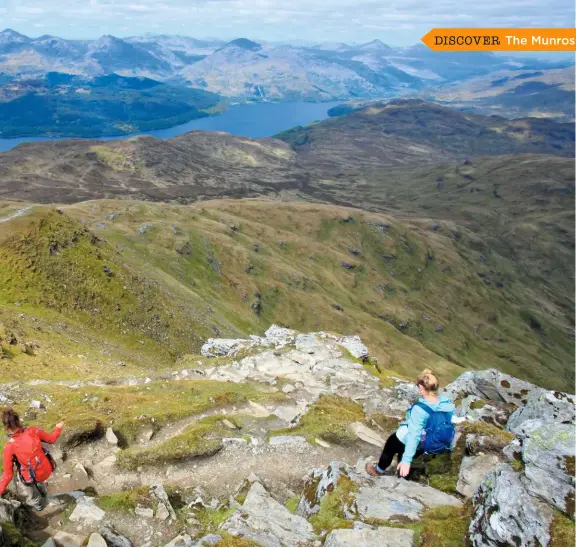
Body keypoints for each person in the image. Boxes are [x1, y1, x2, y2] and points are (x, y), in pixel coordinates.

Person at [366, 369, 454, 478]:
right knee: (405, 453)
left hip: (413, 440)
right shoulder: (446, 403)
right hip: (429, 441)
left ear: (421, 388)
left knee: (390, 445)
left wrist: (407, 461)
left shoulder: (420, 409)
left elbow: (414, 435)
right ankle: (402, 472)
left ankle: (378, 471)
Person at [0, 408, 64, 511]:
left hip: (30, 476)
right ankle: (44, 493)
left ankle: (38, 505)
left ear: (6, 427)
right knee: (38, 478)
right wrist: (58, 428)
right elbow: (51, 439)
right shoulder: (33, 430)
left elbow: (8, 475)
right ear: (18, 420)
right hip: (45, 470)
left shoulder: (9, 446)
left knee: (27, 484)